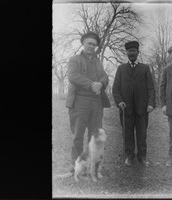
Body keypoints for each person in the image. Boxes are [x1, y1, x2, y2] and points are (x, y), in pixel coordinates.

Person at [65, 31, 111, 173]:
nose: (92, 46)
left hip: (96, 103)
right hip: (80, 101)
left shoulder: (97, 61)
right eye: (89, 43)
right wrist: (91, 84)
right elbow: (73, 76)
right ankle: (76, 167)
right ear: (83, 44)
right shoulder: (74, 59)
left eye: (94, 44)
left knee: (95, 135)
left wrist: (101, 84)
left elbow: (104, 76)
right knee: (77, 135)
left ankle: (93, 167)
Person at [112, 41, 155, 167]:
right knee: (128, 134)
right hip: (126, 110)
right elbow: (115, 88)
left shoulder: (145, 68)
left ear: (138, 52)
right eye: (129, 51)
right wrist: (119, 101)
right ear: (127, 53)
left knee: (142, 134)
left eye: (134, 51)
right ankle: (129, 156)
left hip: (142, 109)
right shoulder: (121, 69)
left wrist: (151, 104)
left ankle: (142, 156)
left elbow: (151, 88)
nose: (132, 53)